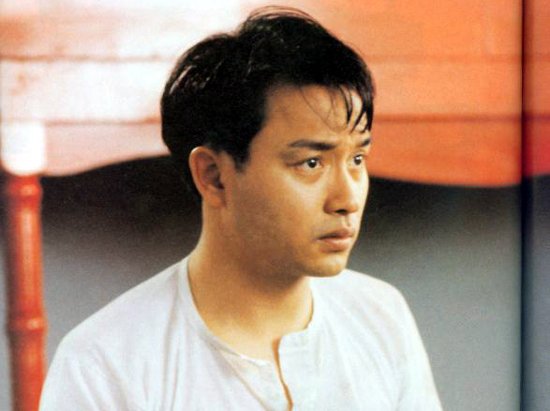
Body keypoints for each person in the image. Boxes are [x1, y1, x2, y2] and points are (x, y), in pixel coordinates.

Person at [40, 7, 442, 410]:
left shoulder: (381, 316)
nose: (347, 199)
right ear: (214, 176)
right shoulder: (104, 365)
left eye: (357, 159)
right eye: (311, 163)